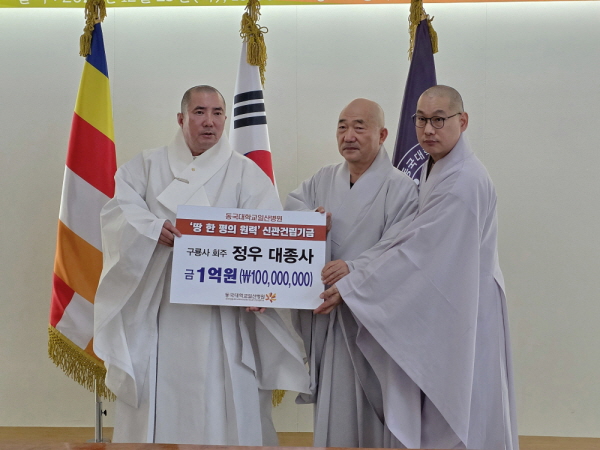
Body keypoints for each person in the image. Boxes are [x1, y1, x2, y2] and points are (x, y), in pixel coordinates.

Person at [93, 85, 309, 445]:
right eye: (199, 112)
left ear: (226, 119)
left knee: (222, 396)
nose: (209, 121)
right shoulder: (146, 165)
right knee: (160, 396)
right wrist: (151, 229)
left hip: (221, 312)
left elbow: (267, 235)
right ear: (181, 118)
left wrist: (260, 288)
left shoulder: (246, 173)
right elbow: (118, 213)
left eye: (217, 113)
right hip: (162, 307)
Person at [319, 86, 519, 450]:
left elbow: (420, 254)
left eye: (439, 120)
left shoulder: (463, 181)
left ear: (463, 121)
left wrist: (354, 283)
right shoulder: (437, 167)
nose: (428, 130)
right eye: (421, 120)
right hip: (449, 302)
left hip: (464, 305)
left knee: (458, 412)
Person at [285, 98, 419, 447]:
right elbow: (291, 214)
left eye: (360, 127)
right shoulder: (322, 180)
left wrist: (353, 271)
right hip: (328, 318)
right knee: (336, 412)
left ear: (382, 134)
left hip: (372, 324)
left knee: (377, 415)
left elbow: (401, 250)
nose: (349, 136)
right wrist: (311, 223)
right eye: (342, 127)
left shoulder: (402, 188)